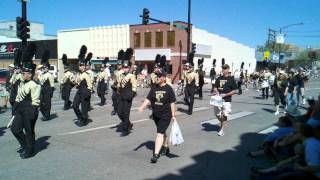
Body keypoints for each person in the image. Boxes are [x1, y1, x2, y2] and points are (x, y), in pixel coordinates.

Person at [139, 69, 177, 163]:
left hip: (166, 115)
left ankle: (156, 154)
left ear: (164, 78)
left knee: (159, 133)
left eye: (159, 76)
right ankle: (166, 146)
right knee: (162, 131)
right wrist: (142, 106)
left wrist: (173, 115)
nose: (158, 77)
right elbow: (149, 98)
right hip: (156, 114)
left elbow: (172, 103)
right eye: (157, 76)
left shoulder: (168, 88)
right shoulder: (154, 87)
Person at [11, 43, 40, 159]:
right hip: (19, 109)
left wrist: (32, 112)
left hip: (29, 109)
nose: (22, 74)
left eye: (25, 73)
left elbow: (35, 101)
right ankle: (25, 145)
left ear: (30, 73)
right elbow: (14, 81)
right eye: (22, 72)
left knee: (29, 131)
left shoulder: (34, 84)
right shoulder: (22, 81)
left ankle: (30, 149)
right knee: (15, 129)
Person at [213, 64, 237, 136]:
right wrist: (216, 92)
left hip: (226, 100)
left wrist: (226, 95)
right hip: (218, 99)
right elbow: (215, 87)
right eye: (223, 68)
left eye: (225, 68)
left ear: (228, 69)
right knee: (217, 114)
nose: (223, 69)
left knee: (225, 114)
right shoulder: (219, 78)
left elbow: (234, 90)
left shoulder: (231, 79)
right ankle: (223, 122)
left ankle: (222, 129)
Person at [73, 45, 93, 126]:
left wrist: (88, 93)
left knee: (84, 110)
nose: (81, 67)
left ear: (85, 66)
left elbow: (90, 85)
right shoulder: (79, 74)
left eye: (82, 65)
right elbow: (77, 82)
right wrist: (75, 84)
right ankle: (81, 118)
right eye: (80, 65)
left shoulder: (86, 74)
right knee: (74, 106)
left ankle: (84, 120)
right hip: (79, 91)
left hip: (85, 92)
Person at [117, 59, 137, 136]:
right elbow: (119, 84)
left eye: (127, 68)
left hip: (128, 97)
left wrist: (131, 95)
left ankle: (126, 130)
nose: (125, 69)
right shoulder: (121, 75)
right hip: (121, 96)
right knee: (119, 112)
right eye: (124, 67)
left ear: (129, 68)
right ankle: (128, 123)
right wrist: (117, 88)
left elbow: (134, 87)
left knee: (126, 113)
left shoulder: (131, 76)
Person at [38, 51, 55, 121]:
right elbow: (40, 82)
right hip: (42, 90)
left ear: (47, 68)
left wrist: (51, 93)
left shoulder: (49, 75)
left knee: (47, 104)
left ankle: (47, 116)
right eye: (42, 68)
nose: (43, 69)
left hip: (48, 90)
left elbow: (52, 85)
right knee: (40, 104)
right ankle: (45, 114)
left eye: (44, 68)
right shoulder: (42, 74)